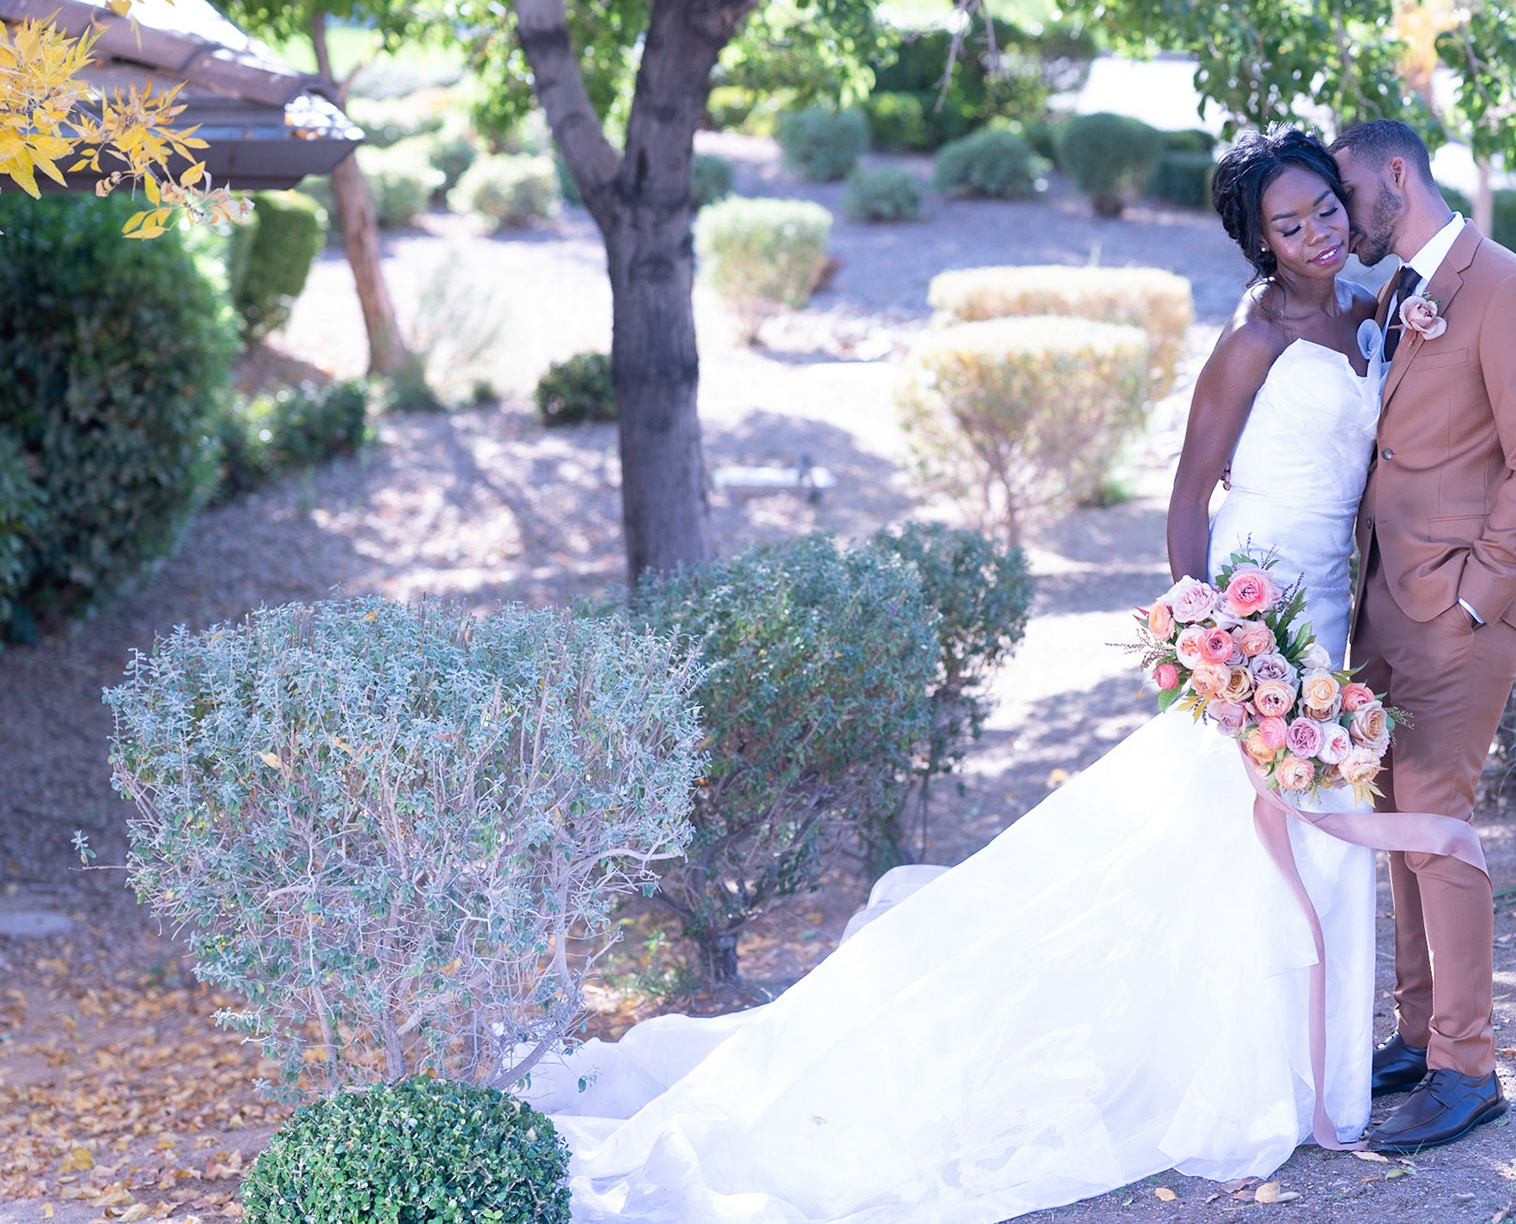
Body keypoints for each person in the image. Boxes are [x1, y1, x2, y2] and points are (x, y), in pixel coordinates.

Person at [513, 128, 1387, 1223]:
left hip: (1332, 608)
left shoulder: (1372, 313)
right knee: (1232, 832)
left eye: (1324, 210)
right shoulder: (1253, 340)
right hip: (1256, 607)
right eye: (1288, 226)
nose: (1316, 235)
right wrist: (1209, 644)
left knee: (1313, 829)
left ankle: (1305, 1067)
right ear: (1259, 243)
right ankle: (1238, 1073)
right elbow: (1186, 495)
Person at [1329, 118, 1516, 1154]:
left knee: (1437, 820)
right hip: (1383, 601)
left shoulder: (1508, 289)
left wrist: (1477, 597)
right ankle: (1420, 1032)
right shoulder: (1396, 291)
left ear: (1398, 174)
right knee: (1396, 819)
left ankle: (1468, 1068)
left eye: (1347, 194)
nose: (1339, 218)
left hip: (1457, 610)